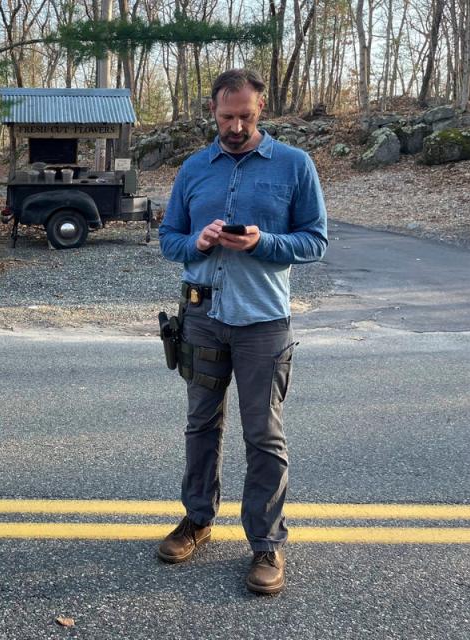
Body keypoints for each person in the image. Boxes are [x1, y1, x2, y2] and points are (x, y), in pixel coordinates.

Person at [156, 69, 327, 594]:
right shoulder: (193, 168)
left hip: (263, 324)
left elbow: (315, 241)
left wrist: (263, 243)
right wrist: (199, 243)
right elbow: (168, 239)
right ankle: (198, 520)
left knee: (264, 435)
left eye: (245, 117)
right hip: (203, 319)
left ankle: (267, 543)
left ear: (261, 110)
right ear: (212, 109)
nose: (235, 126)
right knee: (201, 425)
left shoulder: (295, 166)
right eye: (227, 116)